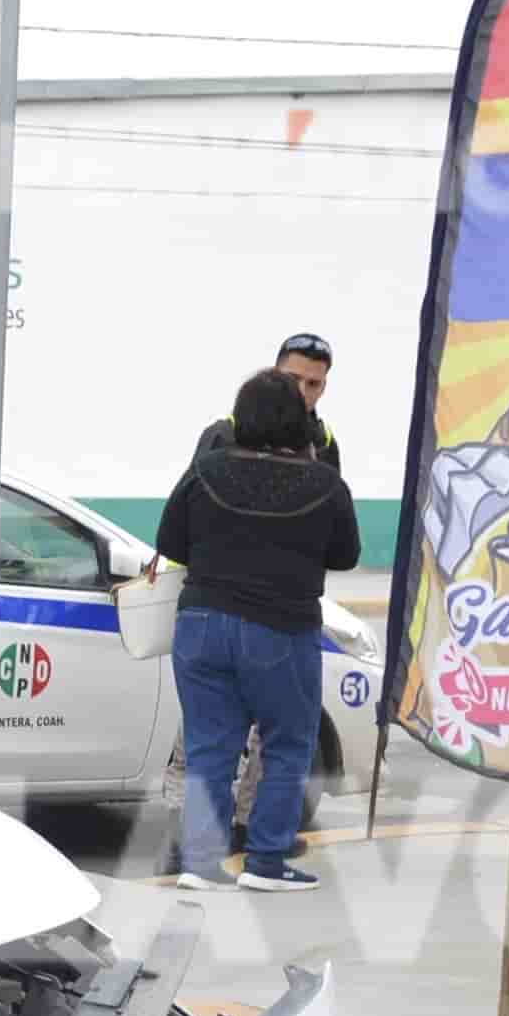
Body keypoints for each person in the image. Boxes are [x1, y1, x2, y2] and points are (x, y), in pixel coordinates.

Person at [157, 368, 363, 892]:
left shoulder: (205, 471)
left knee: (209, 746)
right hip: (280, 629)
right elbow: (346, 554)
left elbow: (170, 541)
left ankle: (201, 864)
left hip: (202, 624)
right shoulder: (323, 483)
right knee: (287, 744)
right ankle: (266, 862)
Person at [198, 332, 343, 473]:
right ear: (273, 374)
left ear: (323, 388)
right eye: (292, 378)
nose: (301, 391)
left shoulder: (325, 445)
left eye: (313, 384)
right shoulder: (223, 434)